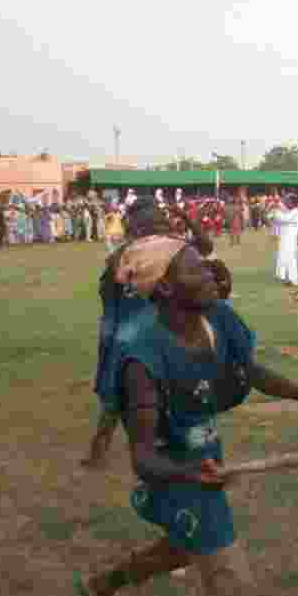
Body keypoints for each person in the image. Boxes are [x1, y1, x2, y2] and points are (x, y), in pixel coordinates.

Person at [75, 234, 298, 596]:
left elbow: (250, 372)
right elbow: (144, 458)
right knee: (230, 582)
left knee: (180, 546)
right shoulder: (142, 358)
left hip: (204, 457)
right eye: (195, 269)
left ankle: (103, 584)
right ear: (167, 289)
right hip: (173, 474)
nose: (210, 272)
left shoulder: (217, 318)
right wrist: (192, 475)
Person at [82, 200, 178, 469]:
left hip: (125, 332)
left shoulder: (123, 255)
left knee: (117, 391)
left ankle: (100, 450)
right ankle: (155, 443)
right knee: (155, 390)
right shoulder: (174, 252)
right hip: (148, 332)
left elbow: (108, 294)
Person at [272, 194, 298, 286]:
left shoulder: (295, 211)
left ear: (293, 203)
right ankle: (288, 278)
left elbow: (285, 219)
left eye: (288, 201)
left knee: (291, 259)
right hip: (286, 239)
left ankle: (294, 280)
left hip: (290, 239)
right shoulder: (291, 211)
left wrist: (276, 213)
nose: (286, 203)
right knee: (285, 258)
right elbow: (283, 211)